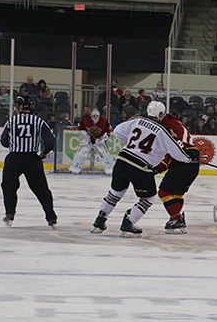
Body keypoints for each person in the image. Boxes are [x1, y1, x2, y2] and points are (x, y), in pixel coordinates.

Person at [90, 101, 194, 238]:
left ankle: (99, 221)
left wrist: (133, 145)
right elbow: (177, 153)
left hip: (122, 160)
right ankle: (129, 222)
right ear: (161, 114)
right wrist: (189, 158)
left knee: (116, 192)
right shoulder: (165, 131)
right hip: (140, 166)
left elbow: (118, 131)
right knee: (148, 198)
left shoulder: (137, 120)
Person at [0, 96, 57, 229]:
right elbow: (50, 141)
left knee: (9, 186)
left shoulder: (11, 121)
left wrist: (14, 144)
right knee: (41, 190)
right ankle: (51, 217)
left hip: (14, 158)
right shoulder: (38, 121)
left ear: (19, 107)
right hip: (32, 159)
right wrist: (44, 152)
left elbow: (3, 141)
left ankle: (10, 213)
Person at [152, 112, 201, 234]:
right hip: (193, 164)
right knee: (178, 193)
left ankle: (177, 218)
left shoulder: (166, 127)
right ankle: (176, 218)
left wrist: (155, 169)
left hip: (182, 161)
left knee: (164, 192)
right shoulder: (178, 127)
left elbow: (168, 156)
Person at [69, 109, 114, 175]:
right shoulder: (85, 120)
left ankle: (109, 170)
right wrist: (87, 138)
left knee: (104, 154)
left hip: (99, 140)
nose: (95, 117)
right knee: (81, 154)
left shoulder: (104, 121)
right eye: (94, 116)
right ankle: (74, 169)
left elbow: (108, 132)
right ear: (91, 116)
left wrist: (102, 139)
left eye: (97, 116)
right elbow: (81, 130)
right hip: (88, 140)